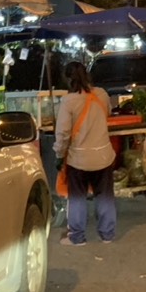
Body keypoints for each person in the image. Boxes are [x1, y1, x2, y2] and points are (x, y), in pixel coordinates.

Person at [53, 60, 116, 245]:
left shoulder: (68, 101)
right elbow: (108, 113)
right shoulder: (102, 94)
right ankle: (107, 235)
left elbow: (63, 133)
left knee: (77, 197)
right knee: (105, 196)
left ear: (68, 79)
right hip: (103, 156)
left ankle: (77, 237)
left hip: (79, 159)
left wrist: (59, 155)